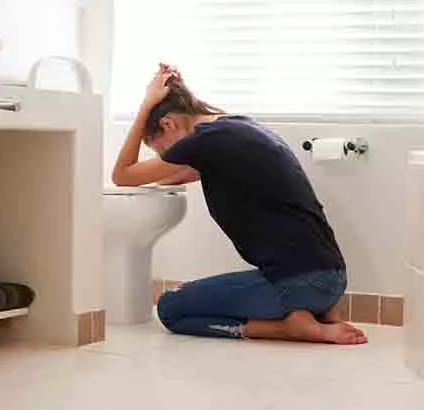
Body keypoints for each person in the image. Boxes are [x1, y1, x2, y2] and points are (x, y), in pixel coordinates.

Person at [112, 63, 367, 345]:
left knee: (171, 307)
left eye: (160, 149)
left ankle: (290, 327)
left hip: (298, 282)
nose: (166, 156)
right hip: (332, 278)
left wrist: (146, 107)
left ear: (168, 124)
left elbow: (122, 175)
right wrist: (175, 92)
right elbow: (173, 176)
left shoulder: (203, 142)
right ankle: (318, 311)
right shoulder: (238, 128)